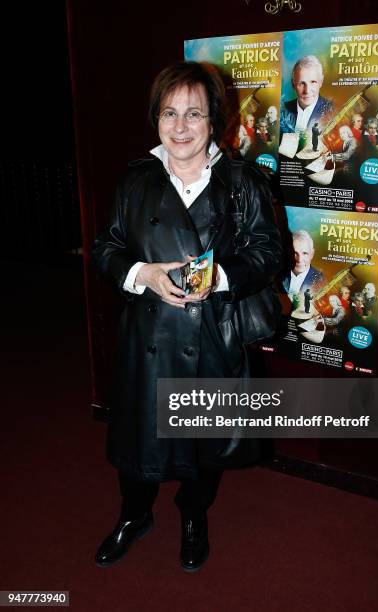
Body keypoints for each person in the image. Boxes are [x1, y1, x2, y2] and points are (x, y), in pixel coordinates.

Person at [92, 61, 282, 572]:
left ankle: (193, 516)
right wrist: (143, 275)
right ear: (156, 120)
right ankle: (135, 515)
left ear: (213, 120)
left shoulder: (244, 183)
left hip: (213, 335)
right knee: (137, 441)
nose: (180, 126)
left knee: (204, 445)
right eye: (169, 113)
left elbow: (270, 253)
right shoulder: (134, 181)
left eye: (193, 113)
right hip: (148, 334)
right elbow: (106, 247)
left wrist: (218, 278)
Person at [280, 55, 333, 134]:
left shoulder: (332, 111)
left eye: (313, 82)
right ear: (293, 84)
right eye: (301, 83)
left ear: (321, 81)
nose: (307, 90)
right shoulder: (282, 110)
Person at [282, 229, 324, 301]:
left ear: (312, 254)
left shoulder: (319, 280)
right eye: (295, 253)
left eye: (304, 253)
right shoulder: (280, 274)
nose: (299, 259)